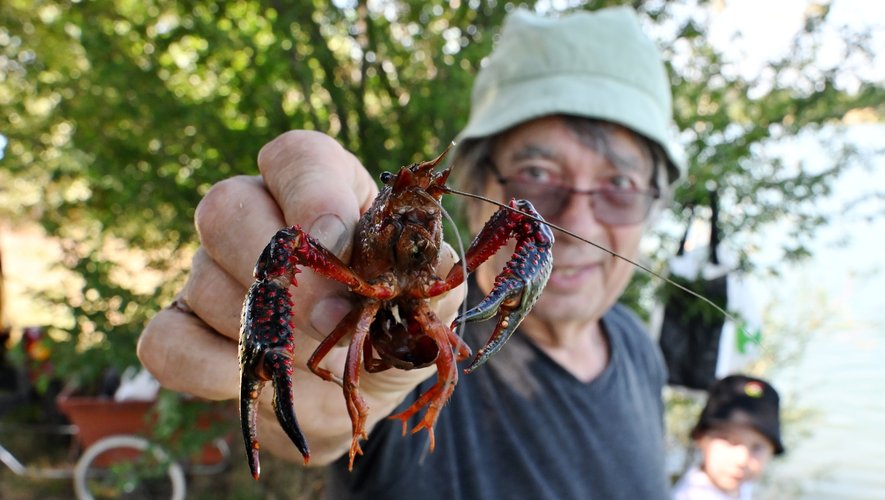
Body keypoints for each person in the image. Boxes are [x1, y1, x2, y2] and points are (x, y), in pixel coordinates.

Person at [138, 6, 685, 499]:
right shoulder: (403, 373)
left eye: (620, 184)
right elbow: (347, 410)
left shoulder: (641, 350)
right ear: (482, 191)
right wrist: (297, 374)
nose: (576, 220)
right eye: (539, 174)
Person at [672, 375, 786, 500]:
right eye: (730, 441)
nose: (742, 460)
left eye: (757, 447)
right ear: (701, 437)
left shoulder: (741, 488)